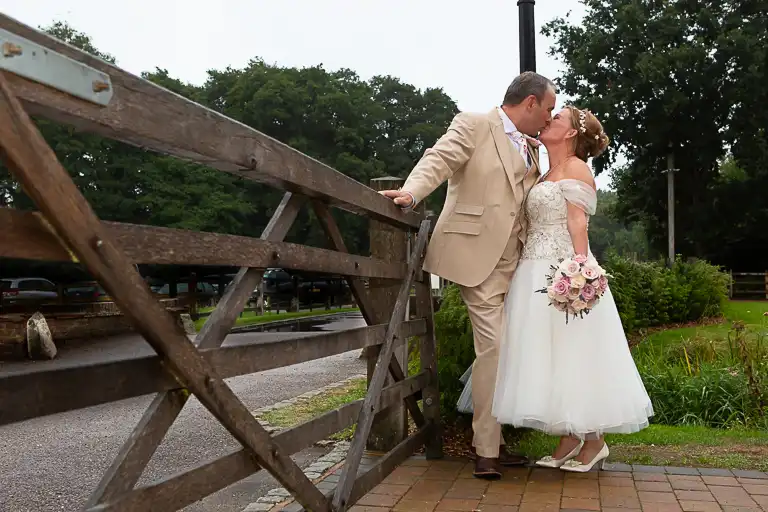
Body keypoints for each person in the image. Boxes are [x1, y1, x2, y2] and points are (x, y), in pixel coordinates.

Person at [379, 71, 556, 479]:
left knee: (511, 350)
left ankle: (497, 440)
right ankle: (486, 450)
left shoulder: (531, 147)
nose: (550, 118)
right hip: (476, 258)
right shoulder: (474, 124)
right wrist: (411, 192)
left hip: (518, 263)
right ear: (530, 102)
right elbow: (439, 158)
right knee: (493, 347)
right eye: (548, 109)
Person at [491, 106, 654, 472]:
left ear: (569, 134)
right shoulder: (545, 170)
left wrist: (582, 272)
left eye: (558, 118)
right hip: (532, 271)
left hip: (562, 270)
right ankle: (568, 436)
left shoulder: (576, 168)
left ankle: (594, 441)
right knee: (548, 354)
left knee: (574, 352)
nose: (549, 120)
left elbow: (577, 222)